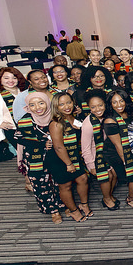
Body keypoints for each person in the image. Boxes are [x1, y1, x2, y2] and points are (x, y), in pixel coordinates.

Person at [15, 92, 63, 224]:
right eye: (32, 105)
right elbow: (19, 138)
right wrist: (41, 143)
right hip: (35, 157)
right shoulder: (25, 119)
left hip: (56, 154)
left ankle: (63, 205)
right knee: (42, 184)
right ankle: (53, 211)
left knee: (60, 181)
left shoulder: (56, 116)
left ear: (47, 103)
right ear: (28, 106)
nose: (37, 107)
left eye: (41, 103)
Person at [46, 92, 90, 222]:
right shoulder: (56, 123)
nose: (66, 106)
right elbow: (58, 147)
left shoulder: (73, 117)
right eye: (62, 104)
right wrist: (68, 164)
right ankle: (73, 211)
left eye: (69, 102)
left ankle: (84, 204)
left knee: (82, 178)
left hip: (74, 155)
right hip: (60, 158)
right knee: (66, 186)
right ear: (56, 106)